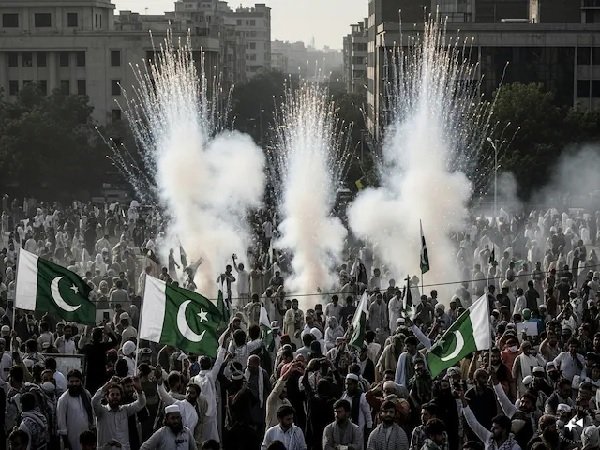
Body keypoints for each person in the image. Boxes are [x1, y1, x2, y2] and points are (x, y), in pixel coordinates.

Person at [92, 380, 147, 450]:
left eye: (117, 395)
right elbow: (94, 401)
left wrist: (139, 391)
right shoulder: (101, 411)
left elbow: (141, 403)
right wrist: (107, 385)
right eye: (112, 394)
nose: (115, 397)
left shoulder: (125, 410)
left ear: (121, 396)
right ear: (107, 397)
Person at [57, 370, 94, 450]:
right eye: (72, 381)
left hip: (87, 438)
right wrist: (66, 445)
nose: (74, 384)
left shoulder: (86, 394)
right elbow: (61, 424)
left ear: (81, 381)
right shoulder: (63, 399)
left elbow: (92, 415)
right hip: (71, 438)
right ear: (68, 382)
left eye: (77, 381)